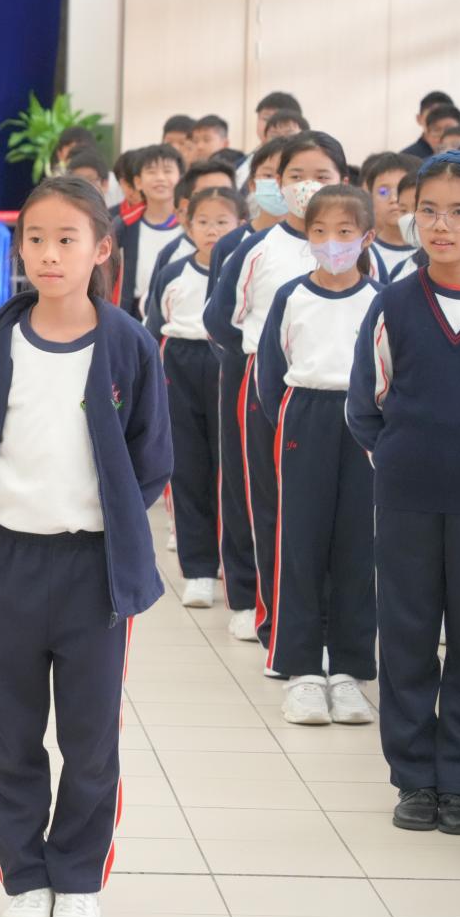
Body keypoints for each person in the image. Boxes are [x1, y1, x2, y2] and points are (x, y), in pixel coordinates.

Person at [0, 175, 169, 917]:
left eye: (67, 239)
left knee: (89, 737)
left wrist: (109, 522)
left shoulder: (127, 344)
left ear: (102, 249)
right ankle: (25, 879)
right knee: (9, 734)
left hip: (92, 570)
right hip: (7, 561)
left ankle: (76, 882)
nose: (48, 253)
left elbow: (151, 459)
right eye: (34, 238)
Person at [347, 150, 460, 836]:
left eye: (458, 212)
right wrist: (397, 457)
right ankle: (414, 777)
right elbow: (364, 404)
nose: (441, 225)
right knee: (408, 630)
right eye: (428, 211)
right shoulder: (392, 303)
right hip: (407, 494)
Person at [207, 131, 346, 651]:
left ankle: (331, 623)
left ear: (343, 181)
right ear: (278, 183)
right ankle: (270, 613)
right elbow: (221, 320)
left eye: (322, 176)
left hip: (339, 395)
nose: (309, 186)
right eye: (296, 176)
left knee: (334, 512)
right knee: (268, 503)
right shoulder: (257, 248)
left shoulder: (356, 249)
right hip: (266, 387)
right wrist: (264, 360)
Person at [255, 184, 379, 724]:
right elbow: (269, 371)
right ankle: (301, 668)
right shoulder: (291, 295)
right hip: (305, 415)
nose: (332, 243)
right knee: (300, 542)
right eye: (320, 232)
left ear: (366, 238)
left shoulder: (381, 299)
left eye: (344, 232)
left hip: (364, 423)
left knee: (359, 545)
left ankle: (349, 670)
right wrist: (290, 418)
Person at [146, 186, 242, 608]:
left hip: (225, 362)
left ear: (240, 225)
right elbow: (153, 326)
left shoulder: (240, 270)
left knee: (229, 469)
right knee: (187, 466)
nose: (212, 230)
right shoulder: (173, 272)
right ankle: (199, 569)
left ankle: (229, 560)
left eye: (222, 222)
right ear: (187, 225)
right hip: (179, 363)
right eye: (203, 221)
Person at [110, 143, 183, 318]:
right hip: (132, 312)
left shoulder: (191, 225)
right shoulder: (123, 225)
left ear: (181, 178)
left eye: (167, 171)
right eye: (151, 171)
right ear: (138, 182)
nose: (160, 178)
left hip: (180, 309)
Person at [361, 152, 420, 280]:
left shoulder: (434, 252)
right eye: (383, 191)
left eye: (401, 189)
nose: (394, 198)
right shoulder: (363, 253)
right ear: (370, 197)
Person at [236, 91, 303, 183]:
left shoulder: (300, 162)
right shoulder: (241, 161)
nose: (271, 125)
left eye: (279, 120)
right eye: (266, 118)